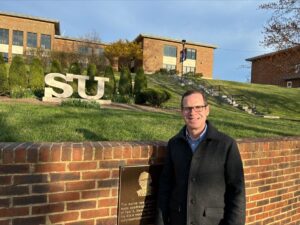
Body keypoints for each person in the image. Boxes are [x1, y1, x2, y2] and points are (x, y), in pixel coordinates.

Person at [156, 90, 246, 225]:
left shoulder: (226, 145)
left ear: (207, 110)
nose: (192, 112)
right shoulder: (174, 144)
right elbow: (165, 186)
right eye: (187, 108)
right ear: (182, 112)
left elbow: (236, 191)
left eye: (198, 107)